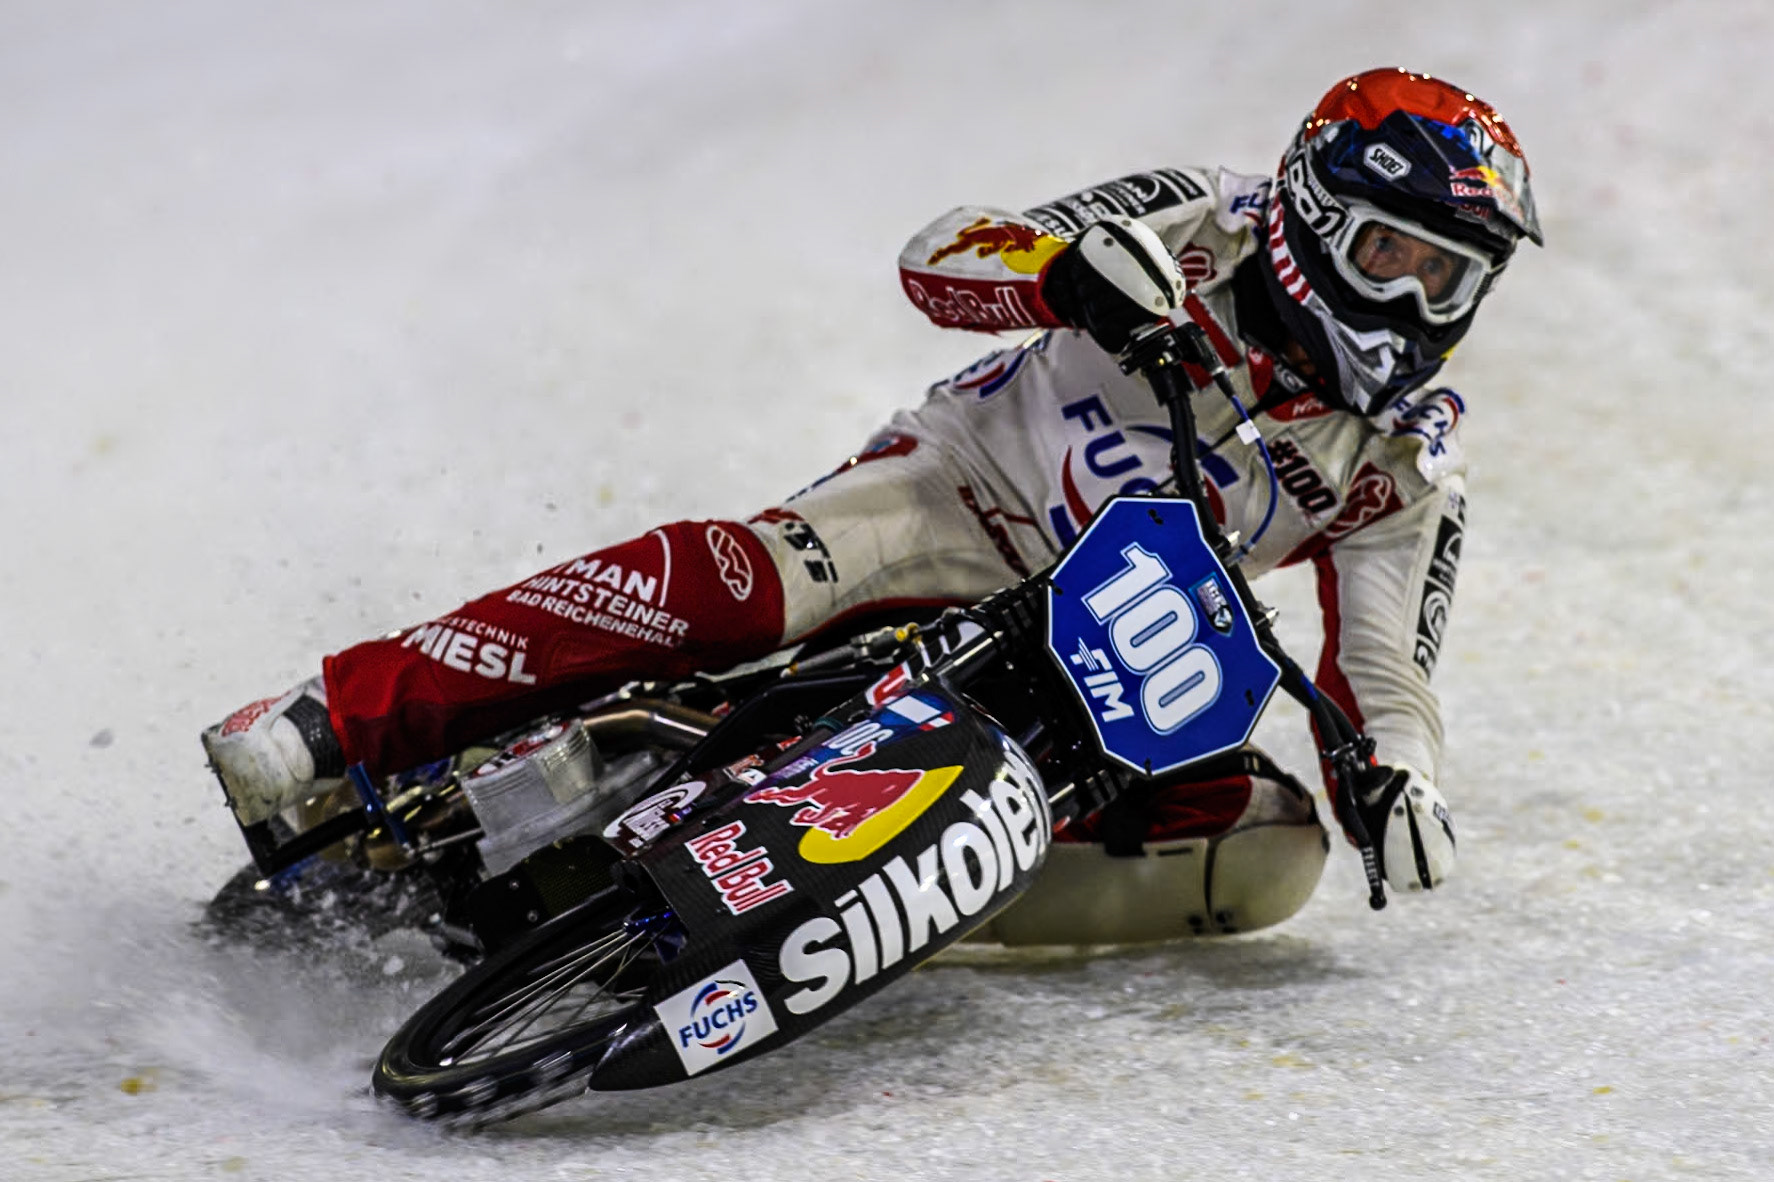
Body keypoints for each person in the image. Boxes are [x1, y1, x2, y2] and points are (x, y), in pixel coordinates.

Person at [202, 68, 1540, 940]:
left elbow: (1386, 660)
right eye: (1391, 255)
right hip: (954, 497)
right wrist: (1063, 275)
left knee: (1264, 853)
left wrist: (1397, 773)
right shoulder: (1197, 214)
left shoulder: (1409, 454)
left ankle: (875, 908)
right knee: (747, 583)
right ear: (1309, 211)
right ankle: (340, 718)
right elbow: (944, 253)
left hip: (1112, 649)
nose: (1414, 306)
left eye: (1450, 278)